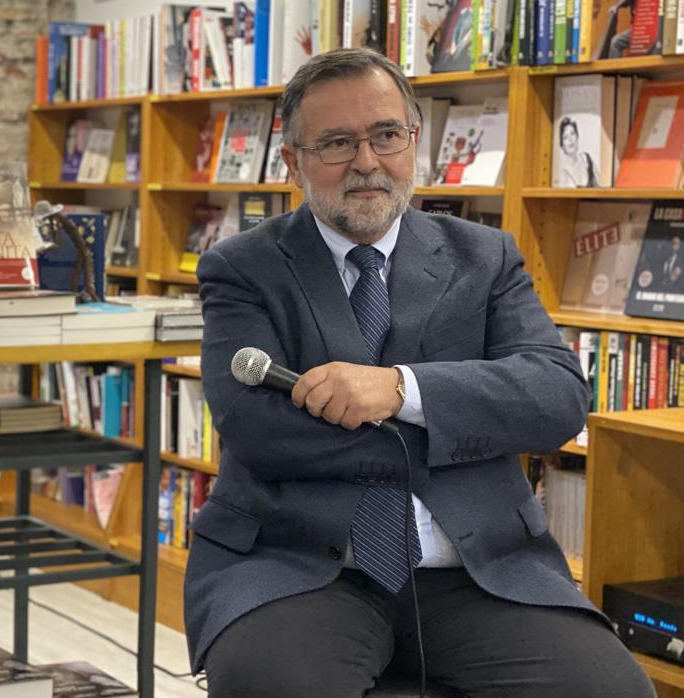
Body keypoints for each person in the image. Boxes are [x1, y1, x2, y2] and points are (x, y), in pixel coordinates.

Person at [187, 48, 655, 698]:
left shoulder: (485, 257)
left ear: (415, 140)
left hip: (477, 569)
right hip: (299, 568)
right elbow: (254, 428)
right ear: (292, 161)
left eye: (385, 135)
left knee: (612, 691)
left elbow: (558, 398)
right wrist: (461, 426)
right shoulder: (242, 268)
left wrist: (403, 391)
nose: (367, 161)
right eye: (337, 143)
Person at [557, 117, 598, 187]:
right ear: (562, 145)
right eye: (565, 137)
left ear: (577, 136)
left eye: (572, 134)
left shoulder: (588, 159)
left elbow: (602, 186)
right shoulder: (563, 173)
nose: (570, 139)